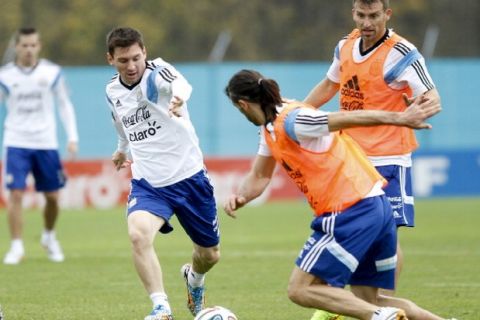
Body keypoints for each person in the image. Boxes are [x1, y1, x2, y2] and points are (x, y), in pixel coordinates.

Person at [223, 69, 456, 320]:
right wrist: (242, 197)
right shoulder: (269, 128)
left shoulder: (294, 120)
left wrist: (400, 118)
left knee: (301, 289)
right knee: (368, 299)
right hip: (375, 207)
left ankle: (380, 316)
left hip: (351, 210)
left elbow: (347, 118)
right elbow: (260, 175)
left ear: (243, 104)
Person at [303, 1, 441, 318]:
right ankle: (368, 305)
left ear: (387, 15)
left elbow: (432, 95)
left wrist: (421, 106)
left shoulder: (401, 53)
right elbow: (329, 85)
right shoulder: (345, 46)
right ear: (353, 13)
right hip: (351, 156)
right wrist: (295, 114)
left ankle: (377, 302)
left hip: (390, 156)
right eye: (362, 15)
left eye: (374, 16)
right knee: (351, 229)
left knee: (387, 231)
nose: (367, 22)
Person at [105, 27, 220, 320]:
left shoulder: (157, 72)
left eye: (135, 58)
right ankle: (161, 308)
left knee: (209, 255)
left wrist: (179, 98)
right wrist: (122, 149)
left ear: (144, 52)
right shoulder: (112, 91)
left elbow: (180, 83)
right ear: (111, 59)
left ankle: (194, 279)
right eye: (123, 61)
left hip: (190, 178)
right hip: (149, 183)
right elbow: (122, 123)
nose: (131, 66)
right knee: (138, 235)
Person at [0, 27, 79, 265]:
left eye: (33, 45)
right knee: (15, 194)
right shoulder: (5, 76)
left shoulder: (52, 72)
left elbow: (65, 105)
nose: (29, 49)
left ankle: (49, 236)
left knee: (53, 197)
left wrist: (72, 137)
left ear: (39, 45)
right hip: (16, 141)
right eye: (24, 45)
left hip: (46, 142)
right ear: (16, 47)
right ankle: (16, 246)